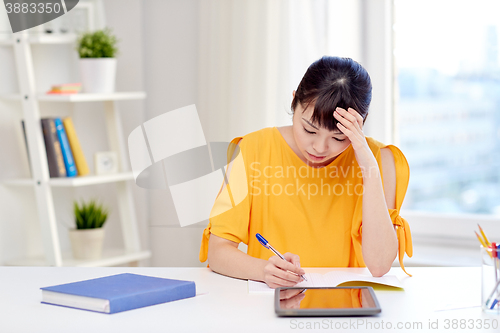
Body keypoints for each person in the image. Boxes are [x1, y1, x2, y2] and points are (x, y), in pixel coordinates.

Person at [199, 56, 412, 289]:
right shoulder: (252, 150)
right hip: (269, 305)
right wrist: (263, 271)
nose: (320, 148)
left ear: (361, 123)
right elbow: (218, 251)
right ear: (294, 103)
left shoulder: (381, 160)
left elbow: (380, 265)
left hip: (346, 306)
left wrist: (367, 165)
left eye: (339, 137)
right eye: (309, 130)